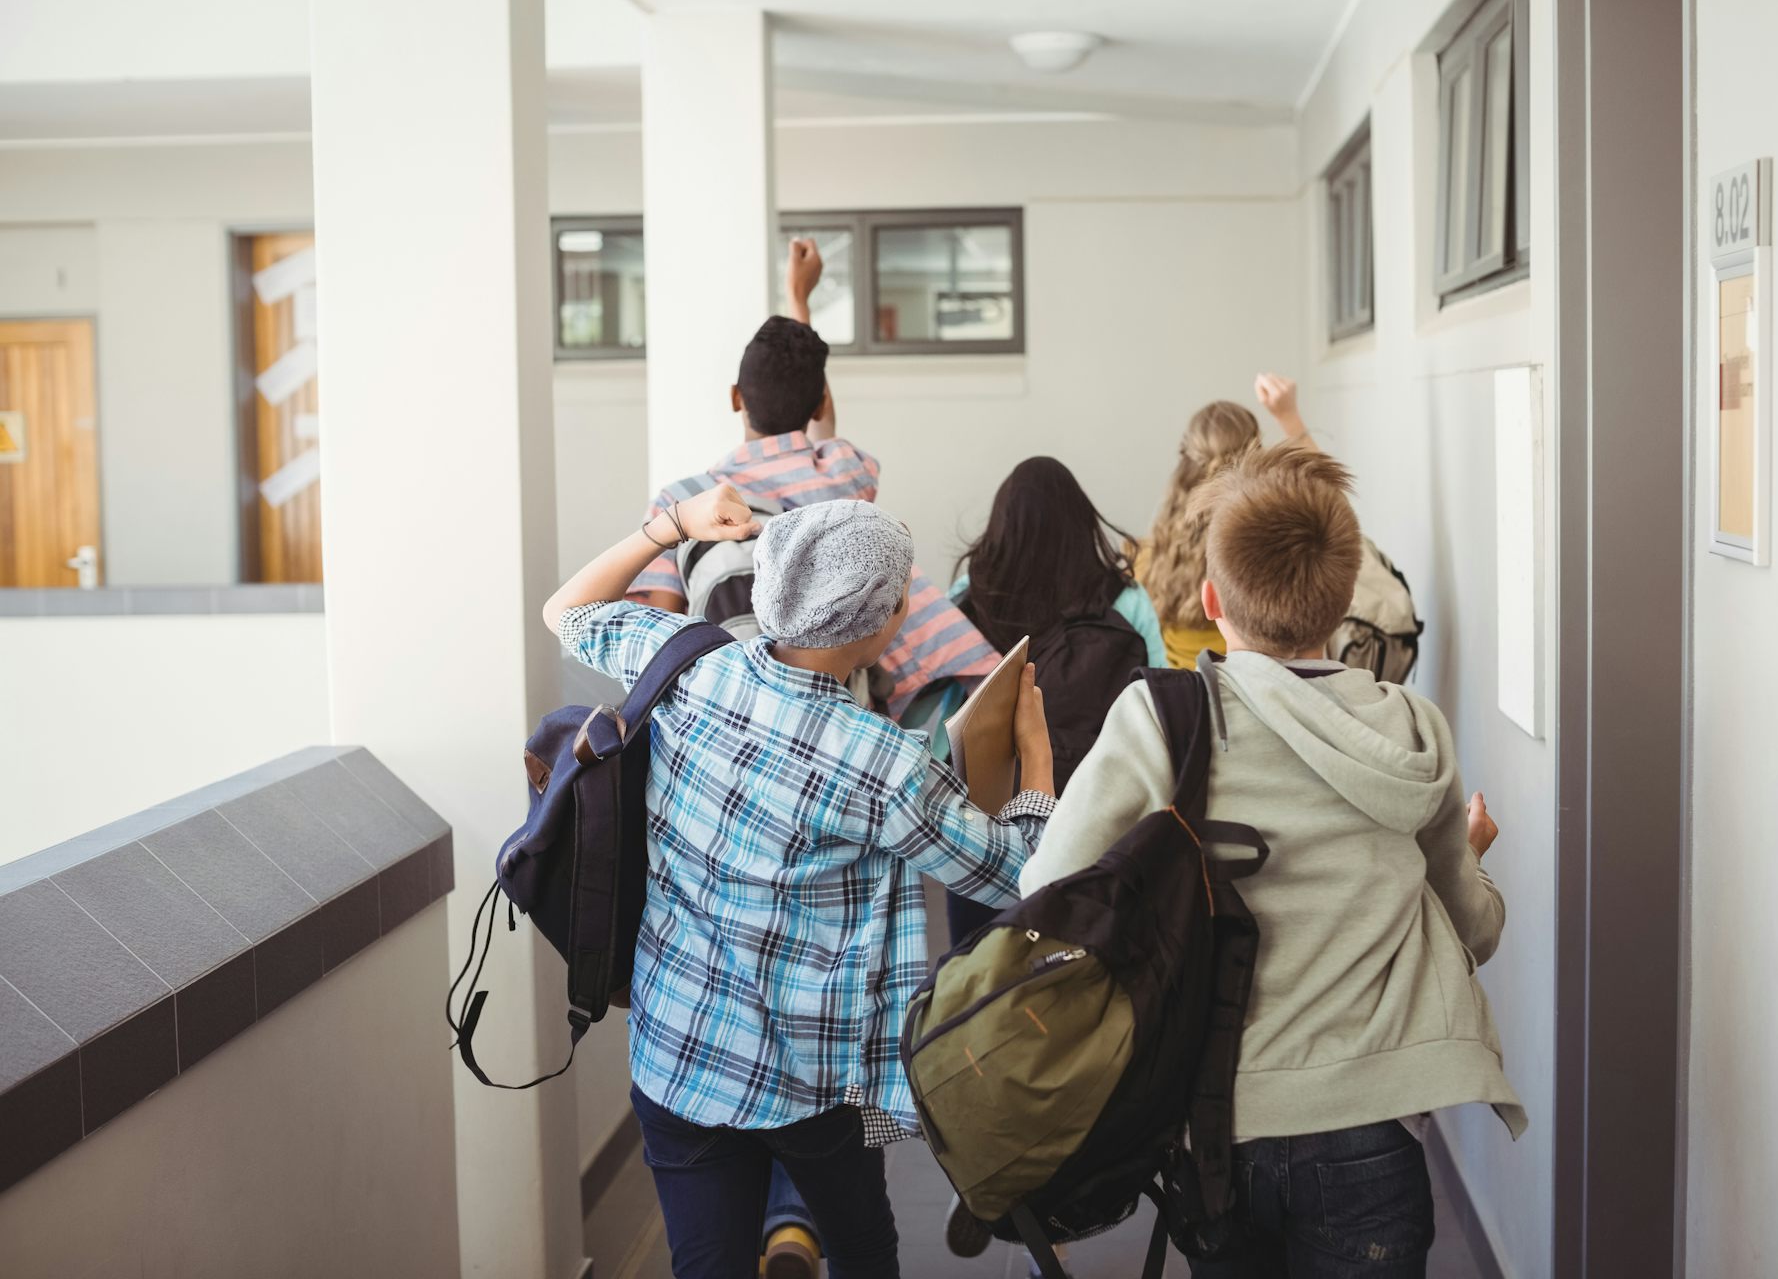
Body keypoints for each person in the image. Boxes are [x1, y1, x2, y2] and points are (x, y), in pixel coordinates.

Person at [1019, 445, 1526, 1277]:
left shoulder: (1162, 717)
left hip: (1216, 1120)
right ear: (1344, 600)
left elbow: (1047, 891)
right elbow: (1473, 931)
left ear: (1212, 600)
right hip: (1375, 1124)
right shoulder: (1412, 728)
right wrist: (1472, 862)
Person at [543, 487, 1057, 1279]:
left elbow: (567, 612)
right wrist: (1036, 754)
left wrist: (672, 526)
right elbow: (1023, 871)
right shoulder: (882, 763)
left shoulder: (690, 661)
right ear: (883, 621)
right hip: (810, 1079)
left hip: (677, 1050)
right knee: (862, 1254)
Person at [938, 456, 1166, 1276]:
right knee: (1079, 1018)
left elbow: (940, 735)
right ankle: (1072, 1175)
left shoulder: (967, 605)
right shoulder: (1124, 602)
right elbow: (1164, 706)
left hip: (984, 850)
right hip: (1096, 849)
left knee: (984, 1012)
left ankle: (1001, 1179)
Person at [629, 238, 1000, 720]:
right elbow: (824, 430)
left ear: (736, 398)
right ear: (820, 403)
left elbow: (660, 627)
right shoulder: (844, 476)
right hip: (844, 712)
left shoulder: (682, 503)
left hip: (725, 710)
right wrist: (799, 298)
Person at [1138, 374, 1315, 669]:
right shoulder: (1273, 549)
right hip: (1255, 689)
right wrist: (1289, 417)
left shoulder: (1150, 558)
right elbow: (1328, 508)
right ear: (1256, 455)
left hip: (1180, 692)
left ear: (1186, 459)